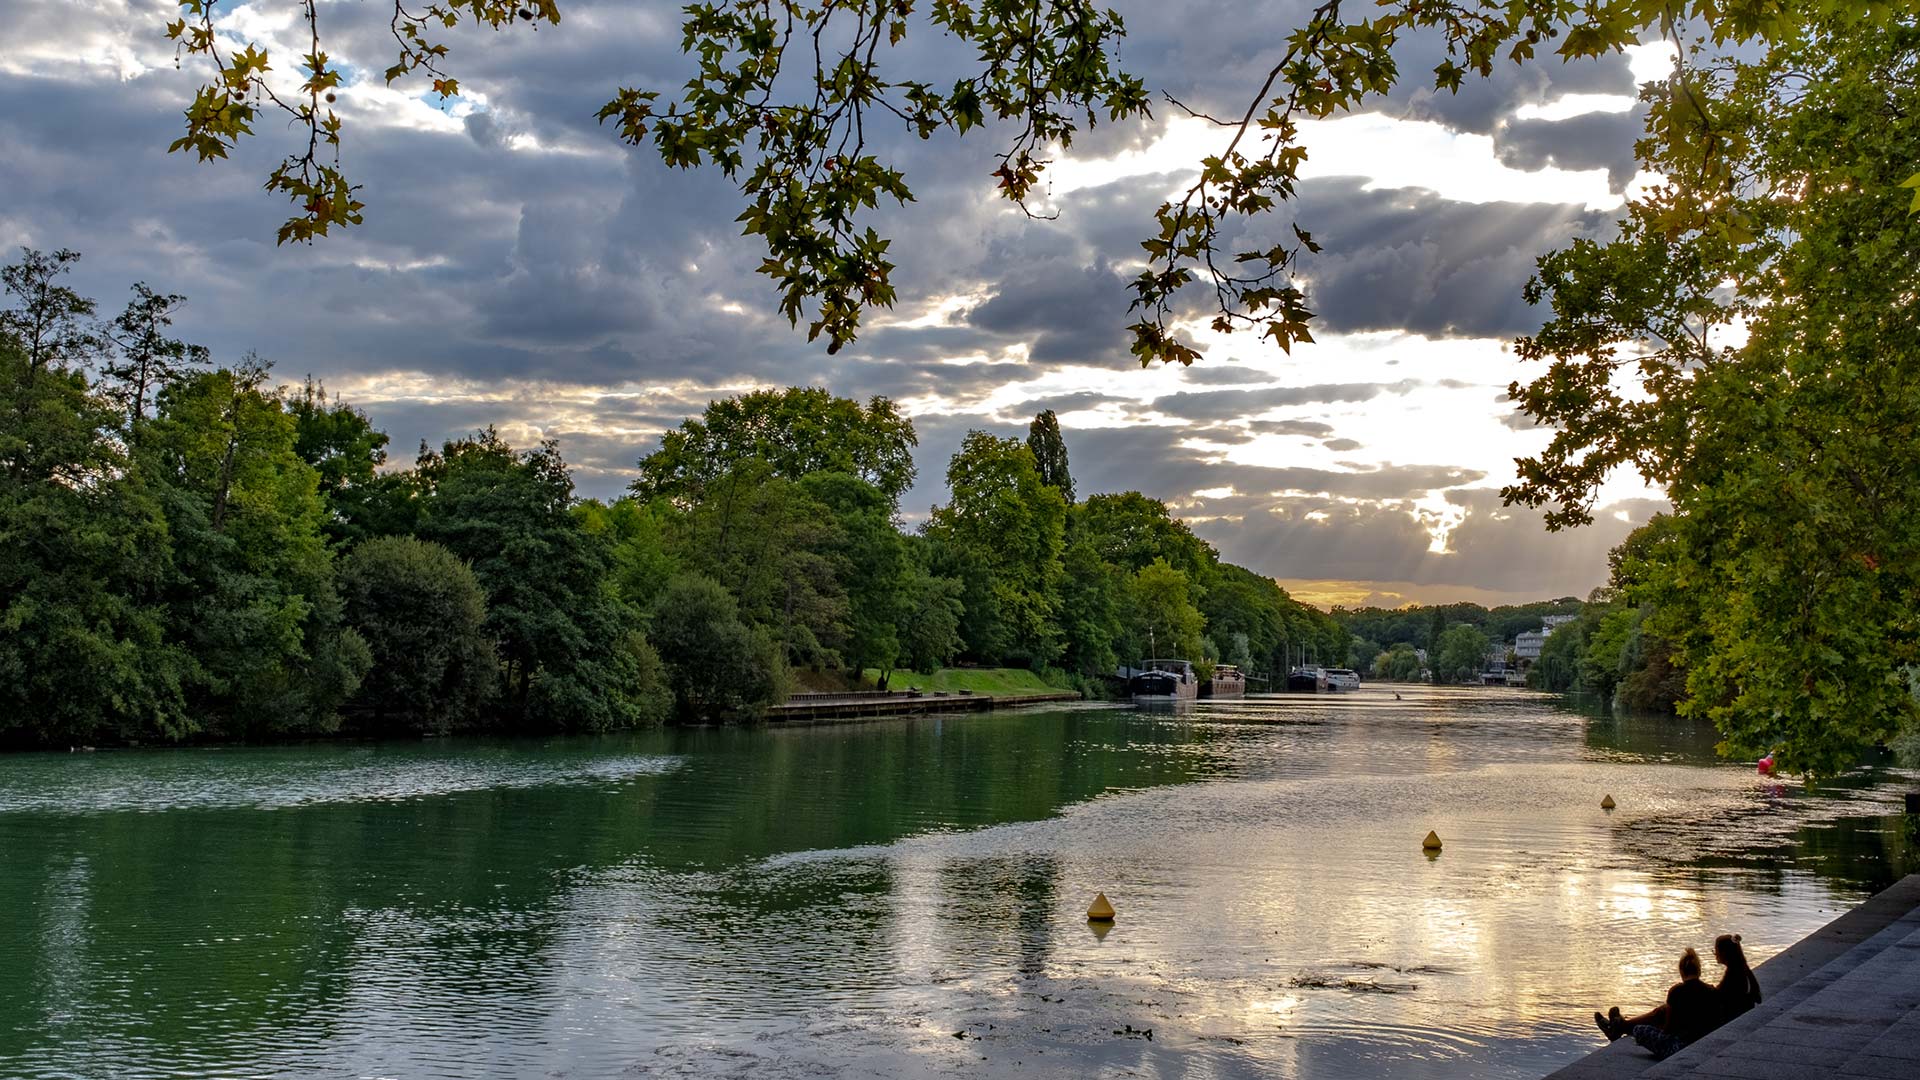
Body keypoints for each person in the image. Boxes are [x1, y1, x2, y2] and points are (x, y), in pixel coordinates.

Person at [1592, 948, 1719, 1060]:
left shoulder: (1677, 991)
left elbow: (1669, 1029)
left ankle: (1617, 1028)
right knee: (1660, 1013)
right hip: (1701, 1043)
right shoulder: (1711, 990)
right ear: (1699, 970)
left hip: (1679, 1047)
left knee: (1639, 1029)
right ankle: (1618, 1027)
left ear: (1681, 970)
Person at [1713, 933, 1762, 1022]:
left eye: (1716, 951)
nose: (1715, 954)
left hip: (1734, 1014)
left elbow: (1719, 996)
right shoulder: (1742, 968)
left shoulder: (1733, 974)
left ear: (1724, 953)